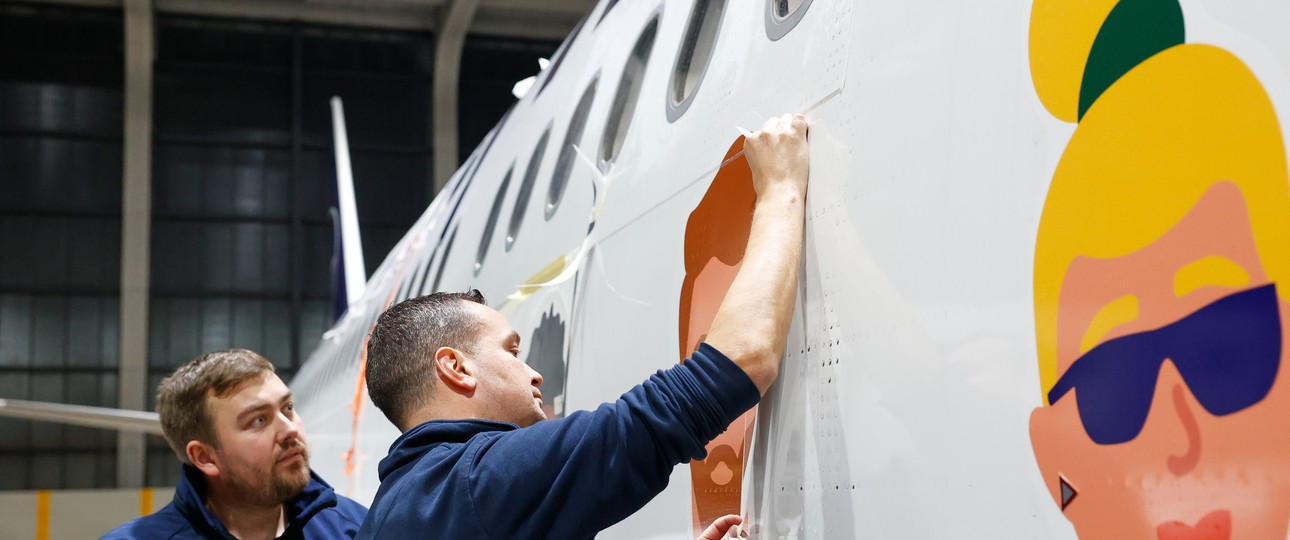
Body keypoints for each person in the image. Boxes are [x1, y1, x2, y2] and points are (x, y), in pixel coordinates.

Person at [357, 113, 809, 539]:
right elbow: (732, 369)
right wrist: (781, 188)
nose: (534, 373)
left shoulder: (395, 509)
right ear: (456, 367)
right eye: (511, 352)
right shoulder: (482, 482)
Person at [103, 349, 367, 540]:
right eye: (259, 420)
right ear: (205, 457)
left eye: (288, 408)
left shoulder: (356, 528)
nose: (289, 429)